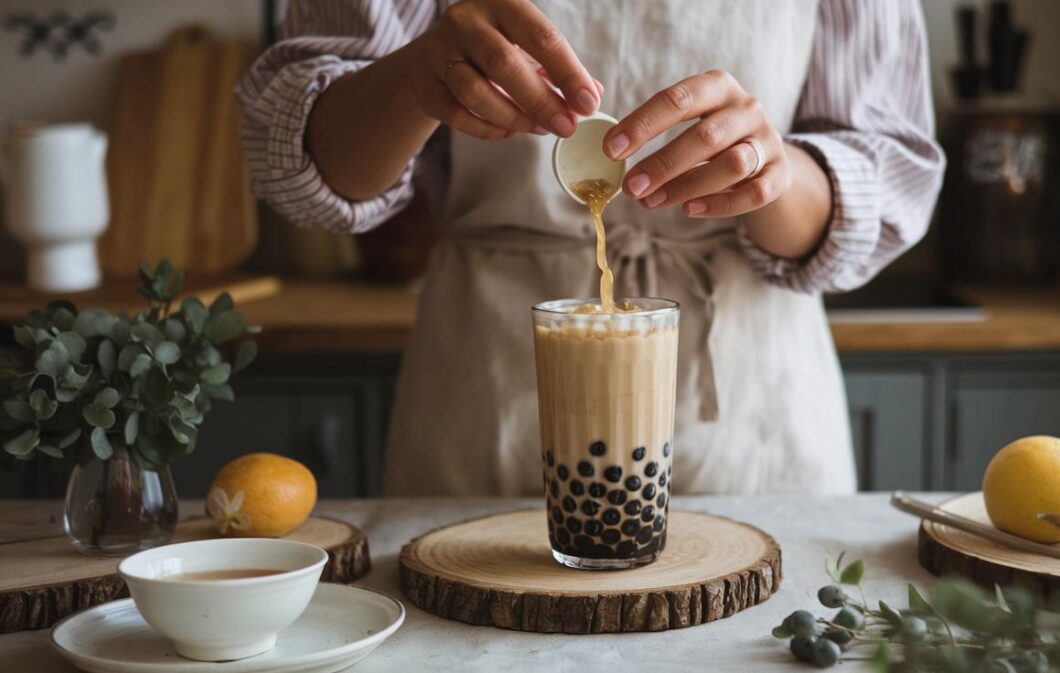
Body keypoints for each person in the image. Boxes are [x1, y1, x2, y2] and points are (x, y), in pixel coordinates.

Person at [236, 0, 945, 496]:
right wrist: (417, 76)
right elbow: (302, 167)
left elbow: (892, 168)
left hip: (754, 408)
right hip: (492, 389)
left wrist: (770, 173)